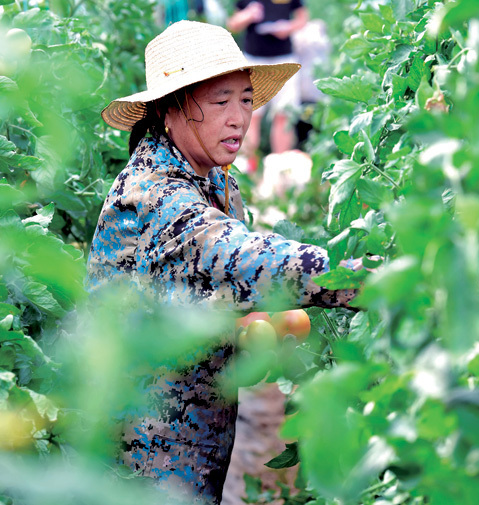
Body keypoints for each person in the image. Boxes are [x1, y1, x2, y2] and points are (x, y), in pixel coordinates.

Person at [87, 21, 357, 505]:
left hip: (196, 434)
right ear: (172, 109)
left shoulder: (215, 182)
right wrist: (361, 278)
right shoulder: (153, 194)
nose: (239, 118)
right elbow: (241, 258)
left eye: (246, 101)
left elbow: (214, 287)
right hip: (142, 454)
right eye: (220, 102)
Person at [226, 0, 307, 158]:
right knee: (250, 116)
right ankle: (249, 170)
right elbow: (233, 24)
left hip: (285, 62)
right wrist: (247, 15)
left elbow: (302, 18)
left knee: (284, 115)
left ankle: (281, 169)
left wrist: (288, 27)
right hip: (254, 61)